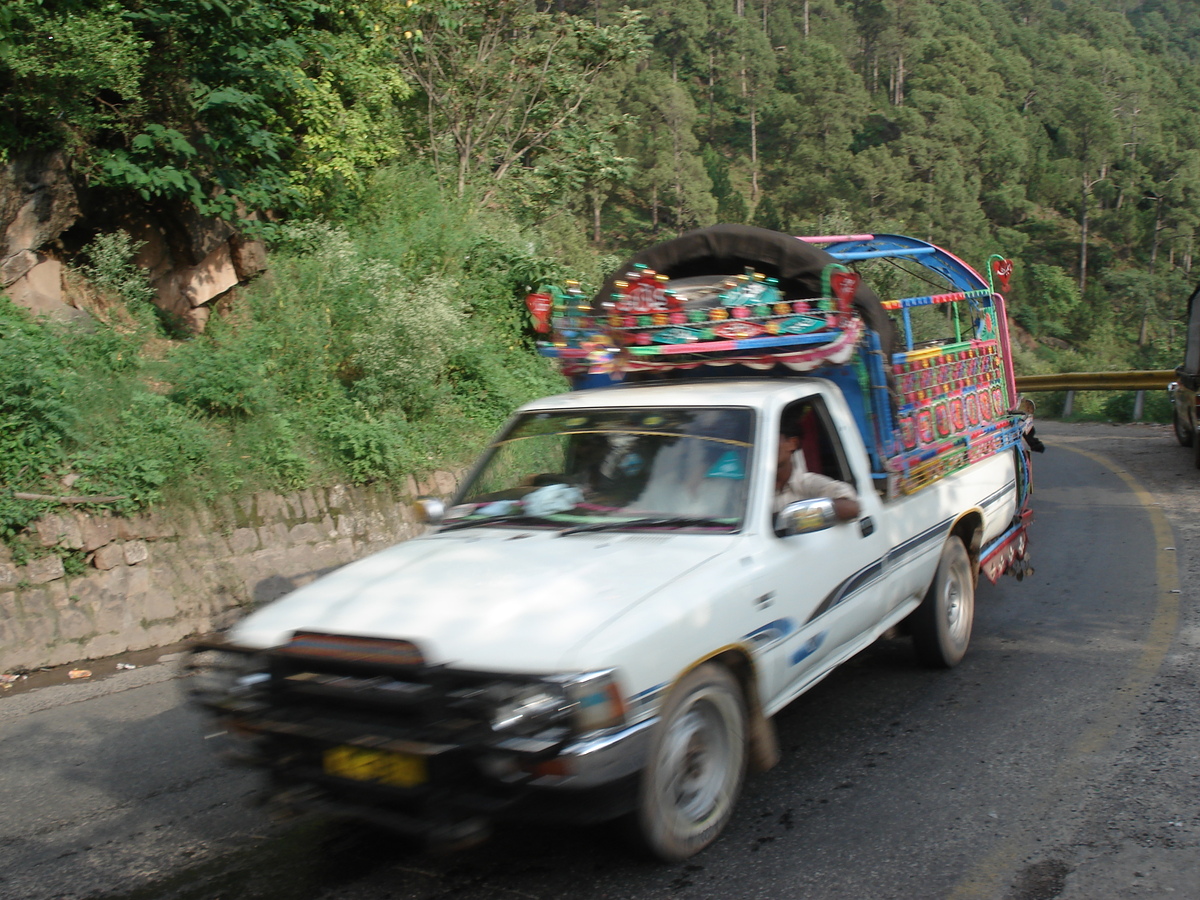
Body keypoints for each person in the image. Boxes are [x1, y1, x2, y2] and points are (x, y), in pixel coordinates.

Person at [774, 412, 860, 521]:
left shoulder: (807, 484)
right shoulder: (750, 489)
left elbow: (851, 507)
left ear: (792, 443)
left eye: (770, 440)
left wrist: (794, 518)